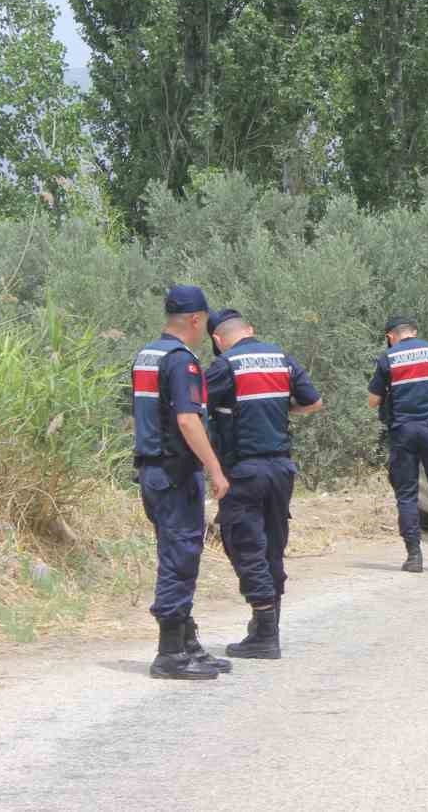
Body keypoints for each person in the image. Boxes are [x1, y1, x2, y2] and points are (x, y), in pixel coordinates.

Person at [205, 309, 323, 660]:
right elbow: (314, 403)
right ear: (251, 330)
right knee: (272, 547)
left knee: (244, 546)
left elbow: (194, 408)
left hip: (245, 471)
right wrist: (279, 410)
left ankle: (265, 631)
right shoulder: (281, 358)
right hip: (281, 470)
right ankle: (266, 627)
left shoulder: (225, 365)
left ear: (217, 339)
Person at [130, 284, 230, 681]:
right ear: (195, 319)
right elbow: (188, 420)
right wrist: (216, 470)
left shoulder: (146, 355)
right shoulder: (180, 361)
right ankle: (169, 652)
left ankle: (187, 641)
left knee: (178, 552)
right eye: (204, 321)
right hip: (174, 473)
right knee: (180, 557)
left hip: (153, 470)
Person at [369, 316, 428, 574]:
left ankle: (414, 557)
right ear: (414, 331)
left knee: (406, 494)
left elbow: (372, 400)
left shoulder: (387, 359)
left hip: (402, 431)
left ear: (391, 336)